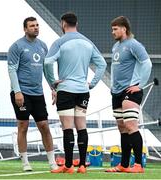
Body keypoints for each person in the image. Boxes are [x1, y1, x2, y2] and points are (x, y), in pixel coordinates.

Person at [44, 12, 107, 174]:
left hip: (66, 90)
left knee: (67, 128)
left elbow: (47, 62)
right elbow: (102, 64)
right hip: (83, 91)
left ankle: (69, 165)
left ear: (63, 24)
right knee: (81, 126)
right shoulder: (88, 42)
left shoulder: (59, 42)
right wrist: (91, 84)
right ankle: (82, 167)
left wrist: (53, 83)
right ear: (76, 24)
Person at [7, 17, 58, 172]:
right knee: (23, 126)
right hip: (21, 93)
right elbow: (12, 70)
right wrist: (17, 91)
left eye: (37, 25)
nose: (35, 28)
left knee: (44, 126)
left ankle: (52, 162)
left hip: (38, 93)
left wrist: (53, 88)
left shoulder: (43, 46)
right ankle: (25, 162)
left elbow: (47, 70)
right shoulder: (17, 46)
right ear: (25, 29)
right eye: (32, 26)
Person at [105, 16, 152, 173]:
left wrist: (140, 85)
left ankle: (138, 165)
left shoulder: (133, 44)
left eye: (115, 29)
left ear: (124, 29)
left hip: (130, 91)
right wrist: (112, 86)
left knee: (131, 125)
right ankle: (124, 165)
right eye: (112, 29)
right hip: (116, 92)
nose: (113, 32)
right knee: (122, 128)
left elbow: (147, 63)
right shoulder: (115, 47)